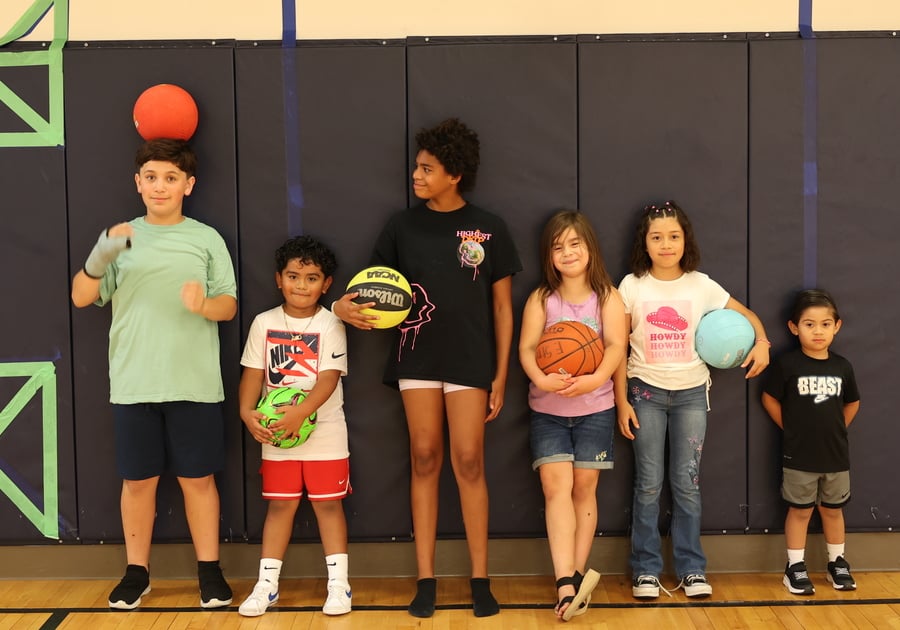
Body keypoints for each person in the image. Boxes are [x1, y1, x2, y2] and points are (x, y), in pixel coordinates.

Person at [333, 118, 522, 618]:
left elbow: (503, 308)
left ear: (454, 174)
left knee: (469, 461)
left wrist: (500, 374)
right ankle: (426, 579)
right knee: (423, 457)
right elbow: (365, 291)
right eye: (417, 167)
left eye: (427, 168)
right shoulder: (401, 225)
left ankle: (480, 579)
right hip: (416, 356)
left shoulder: (490, 227)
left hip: (470, 361)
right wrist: (340, 308)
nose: (416, 175)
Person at [70, 138, 236, 610]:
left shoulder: (206, 238)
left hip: (195, 382)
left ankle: (210, 573)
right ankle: (136, 573)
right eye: (151, 177)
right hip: (134, 382)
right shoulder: (120, 237)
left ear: (189, 184)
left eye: (170, 178)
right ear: (137, 183)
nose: (159, 186)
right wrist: (99, 257)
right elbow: (82, 296)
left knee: (198, 479)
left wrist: (203, 304)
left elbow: (228, 304)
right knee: (137, 482)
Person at [614, 200, 770, 599]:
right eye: (657, 237)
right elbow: (614, 348)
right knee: (648, 484)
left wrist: (763, 343)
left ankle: (692, 569)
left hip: (690, 397)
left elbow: (747, 314)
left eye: (674, 236)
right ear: (644, 243)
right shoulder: (632, 286)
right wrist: (621, 400)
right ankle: (646, 570)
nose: (666, 244)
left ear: (685, 241)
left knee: (687, 484)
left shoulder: (702, 285)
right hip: (644, 393)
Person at [518, 210, 628, 621]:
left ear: (590, 248)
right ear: (549, 255)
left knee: (584, 488)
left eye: (574, 244)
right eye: (558, 246)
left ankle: (577, 577)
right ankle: (563, 580)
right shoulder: (541, 298)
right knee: (554, 486)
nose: (567, 252)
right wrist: (542, 379)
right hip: (548, 409)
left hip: (595, 407)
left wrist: (594, 378)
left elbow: (617, 346)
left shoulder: (608, 297)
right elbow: (527, 349)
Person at [237, 235, 352, 617]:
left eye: (311, 277)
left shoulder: (331, 323)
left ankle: (339, 585)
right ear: (278, 279)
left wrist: (300, 413)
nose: (301, 285)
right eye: (293, 276)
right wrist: (246, 412)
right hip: (277, 436)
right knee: (280, 509)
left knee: (329, 508)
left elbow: (329, 379)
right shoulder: (263, 323)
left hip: (326, 433)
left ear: (327, 284)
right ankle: (267, 586)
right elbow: (252, 375)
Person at [761, 289, 860, 595]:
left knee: (832, 510)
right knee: (801, 511)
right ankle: (794, 566)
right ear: (794, 327)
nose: (818, 331)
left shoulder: (842, 366)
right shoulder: (787, 364)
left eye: (825, 324)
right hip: (799, 456)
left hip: (835, 456)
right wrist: (791, 430)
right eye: (809, 324)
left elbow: (852, 403)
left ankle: (837, 562)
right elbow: (769, 398)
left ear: (837, 326)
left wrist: (835, 430)